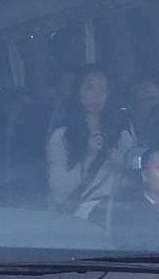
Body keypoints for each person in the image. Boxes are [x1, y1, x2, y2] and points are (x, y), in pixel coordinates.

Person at [46, 65, 135, 218]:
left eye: (102, 89)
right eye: (89, 88)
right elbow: (59, 191)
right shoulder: (61, 137)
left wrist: (124, 162)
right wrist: (89, 155)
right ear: (78, 92)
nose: (96, 95)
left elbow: (140, 180)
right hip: (80, 215)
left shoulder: (123, 135)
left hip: (120, 212)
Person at [125, 77, 159, 143]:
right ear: (131, 105)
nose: (155, 104)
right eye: (149, 98)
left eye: (158, 99)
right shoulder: (116, 133)